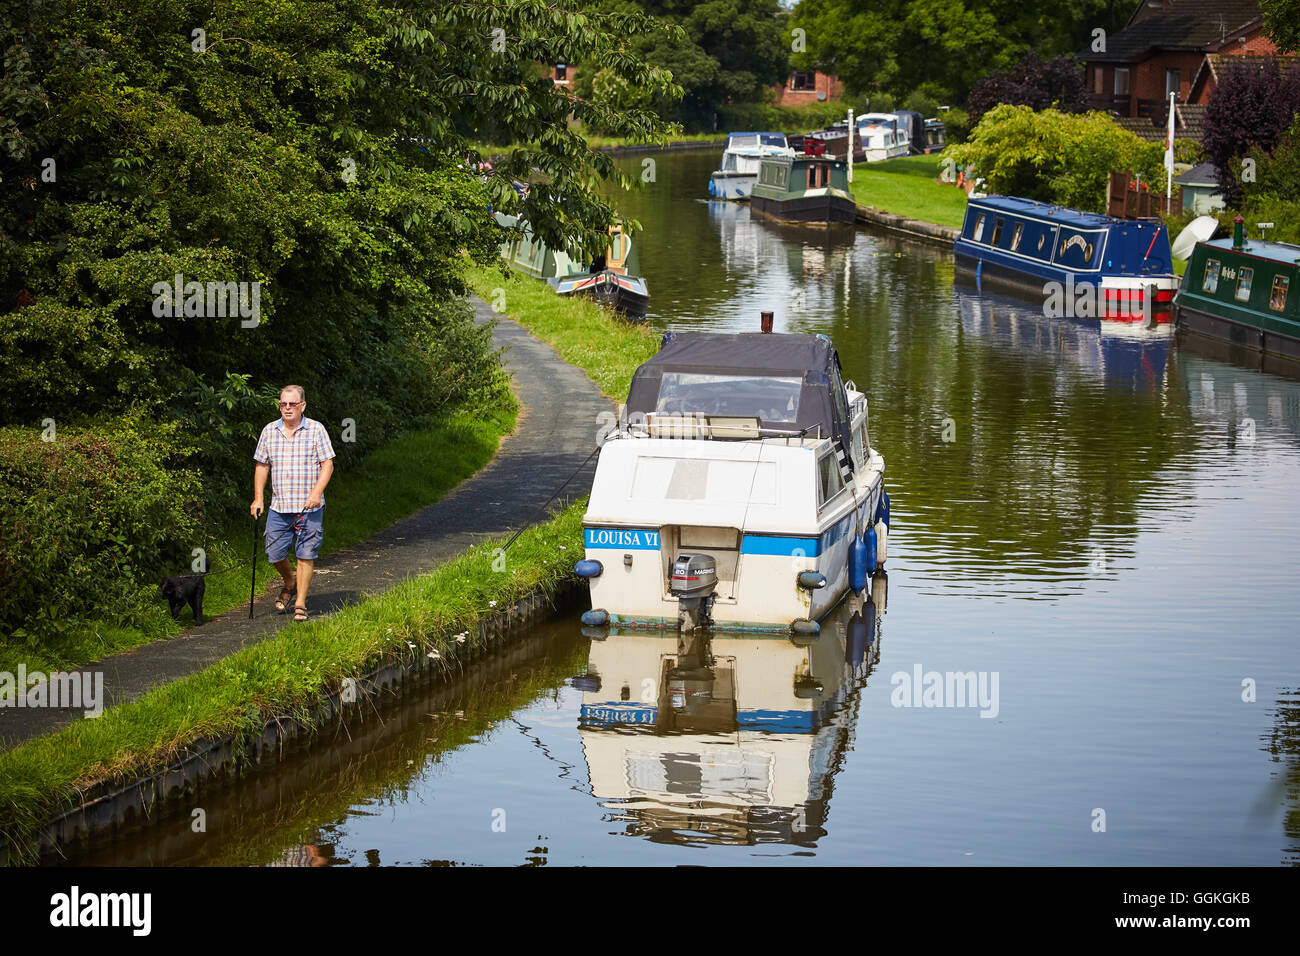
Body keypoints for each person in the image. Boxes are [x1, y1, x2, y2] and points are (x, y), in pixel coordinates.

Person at [250, 385, 335, 622]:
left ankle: (300, 603)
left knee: (306, 553)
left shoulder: (316, 429)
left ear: (302, 406)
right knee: (273, 552)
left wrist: (317, 493)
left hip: (309, 507)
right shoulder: (269, 431)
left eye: (292, 404)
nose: (287, 408)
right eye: (283, 404)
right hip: (279, 505)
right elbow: (262, 465)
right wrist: (258, 498)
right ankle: (290, 581)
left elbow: (327, 464)